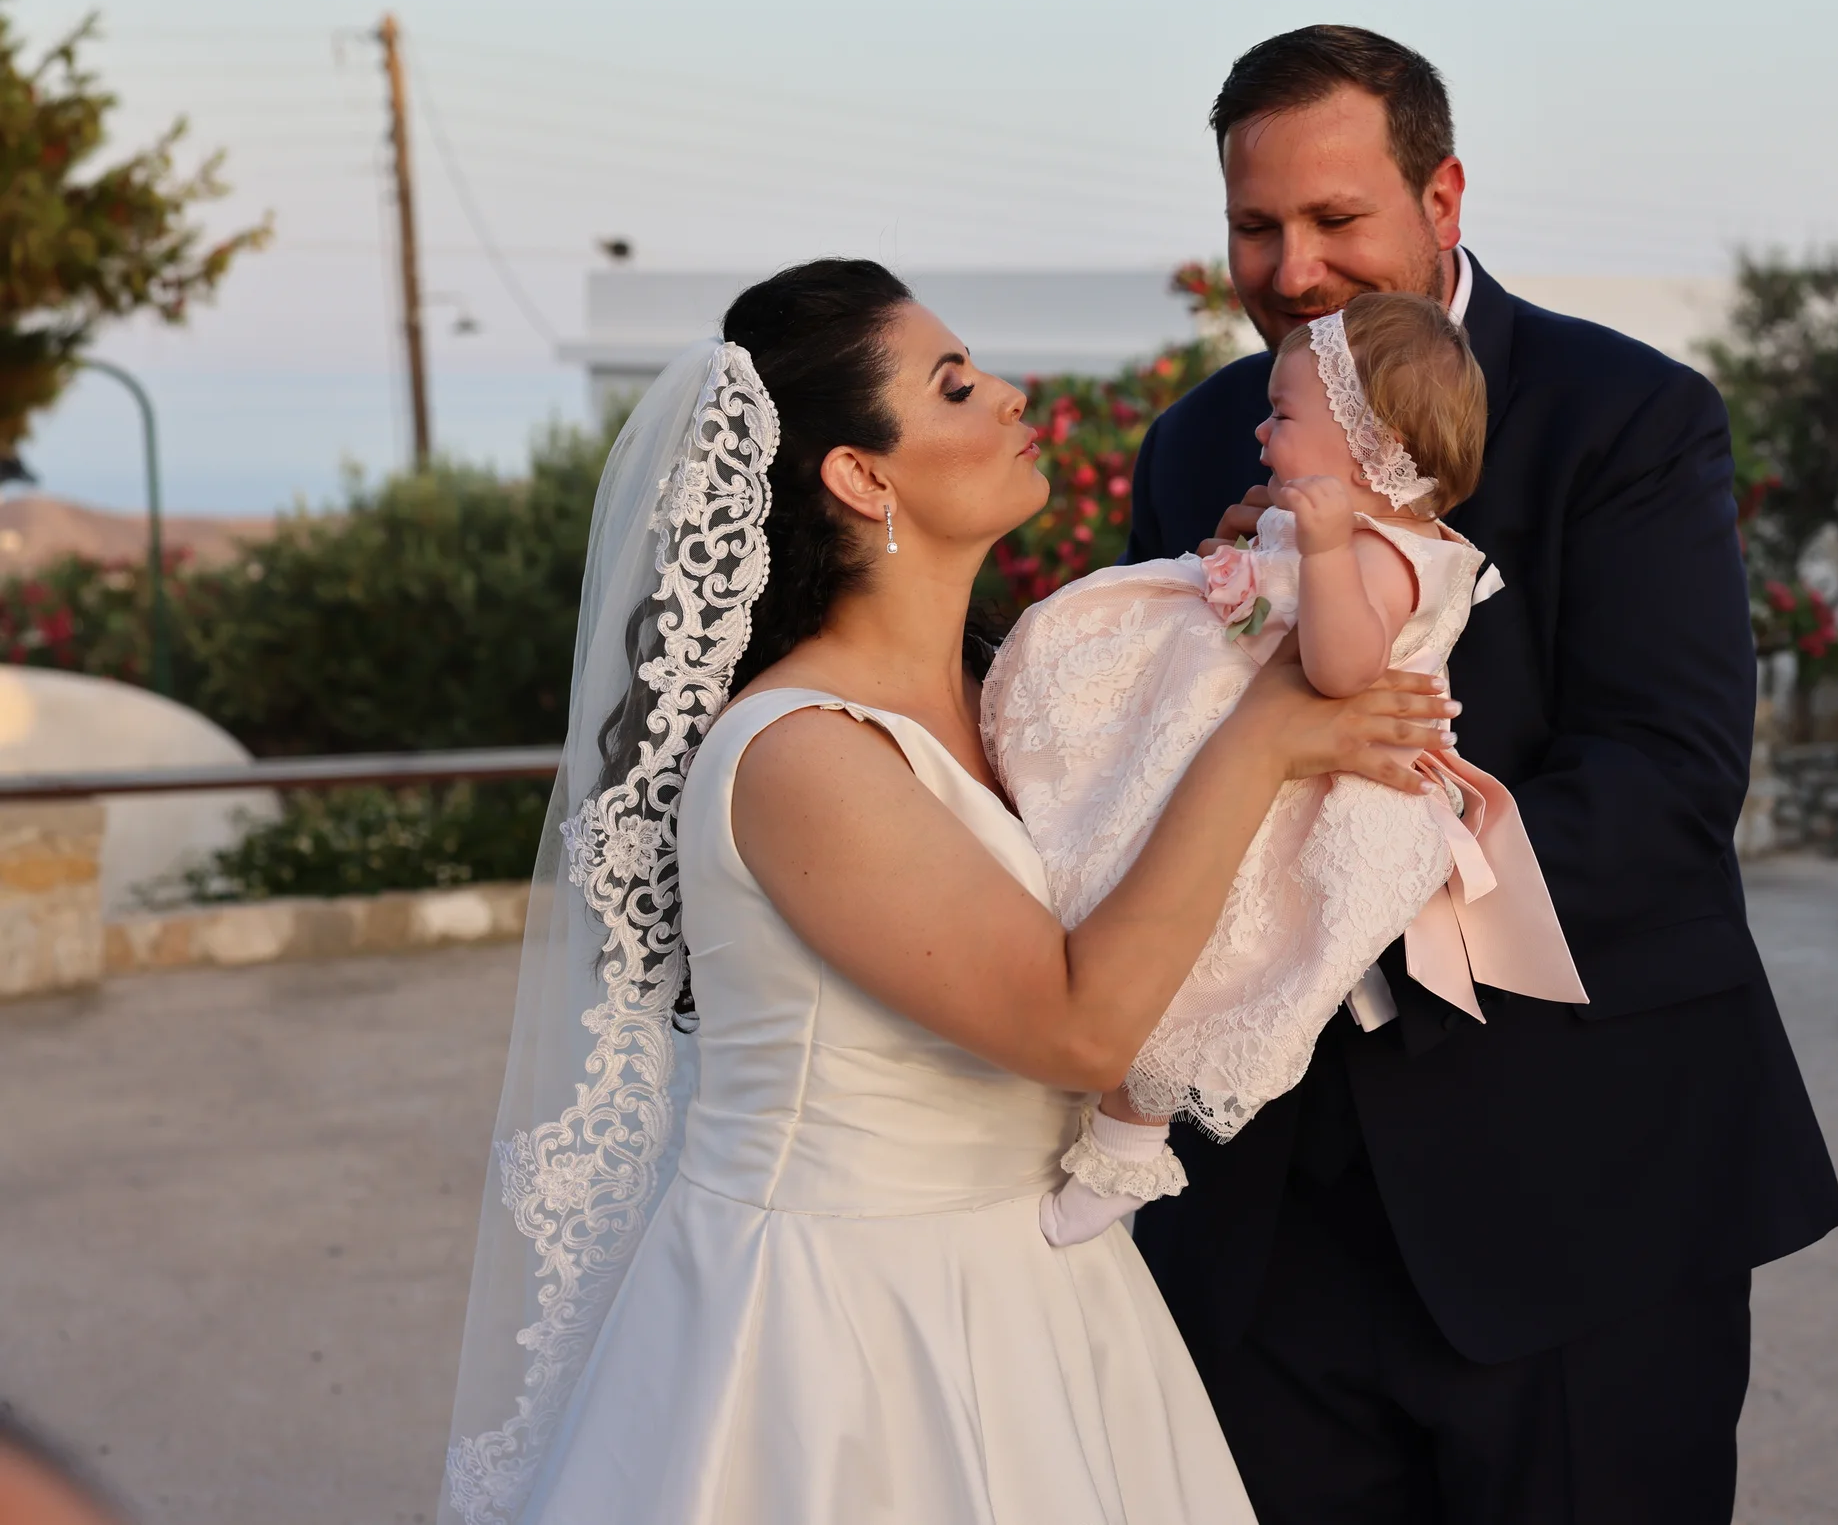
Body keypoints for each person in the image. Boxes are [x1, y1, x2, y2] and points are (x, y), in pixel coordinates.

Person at [439, 259, 1462, 1525]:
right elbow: (1079, 1029)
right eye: (957, 386)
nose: (1014, 397)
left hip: (1041, 1286)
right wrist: (1260, 738)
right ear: (861, 476)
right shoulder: (800, 753)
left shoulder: (1003, 698)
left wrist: (1264, 617)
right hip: (846, 1326)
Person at [1126, 25, 1838, 1522]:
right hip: (1269, 1239)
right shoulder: (1198, 442)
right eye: (1256, 228)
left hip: (1582, 1203)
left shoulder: (1627, 416)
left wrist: (1349, 904)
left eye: (1336, 220)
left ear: (1443, 198)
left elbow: (1666, 776)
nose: (1295, 267)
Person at [984, 292, 1584, 1246]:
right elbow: (1267, 624)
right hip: (1247, 753)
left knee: (1201, 951)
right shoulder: (1336, 531)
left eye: (1287, 414)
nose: (1262, 428)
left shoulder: (1396, 554)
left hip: (1303, 799)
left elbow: (1340, 667)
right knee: (1118, 879)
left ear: (1369, 438)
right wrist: (1239, 565)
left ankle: (1126, 1148)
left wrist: (1321, 548)